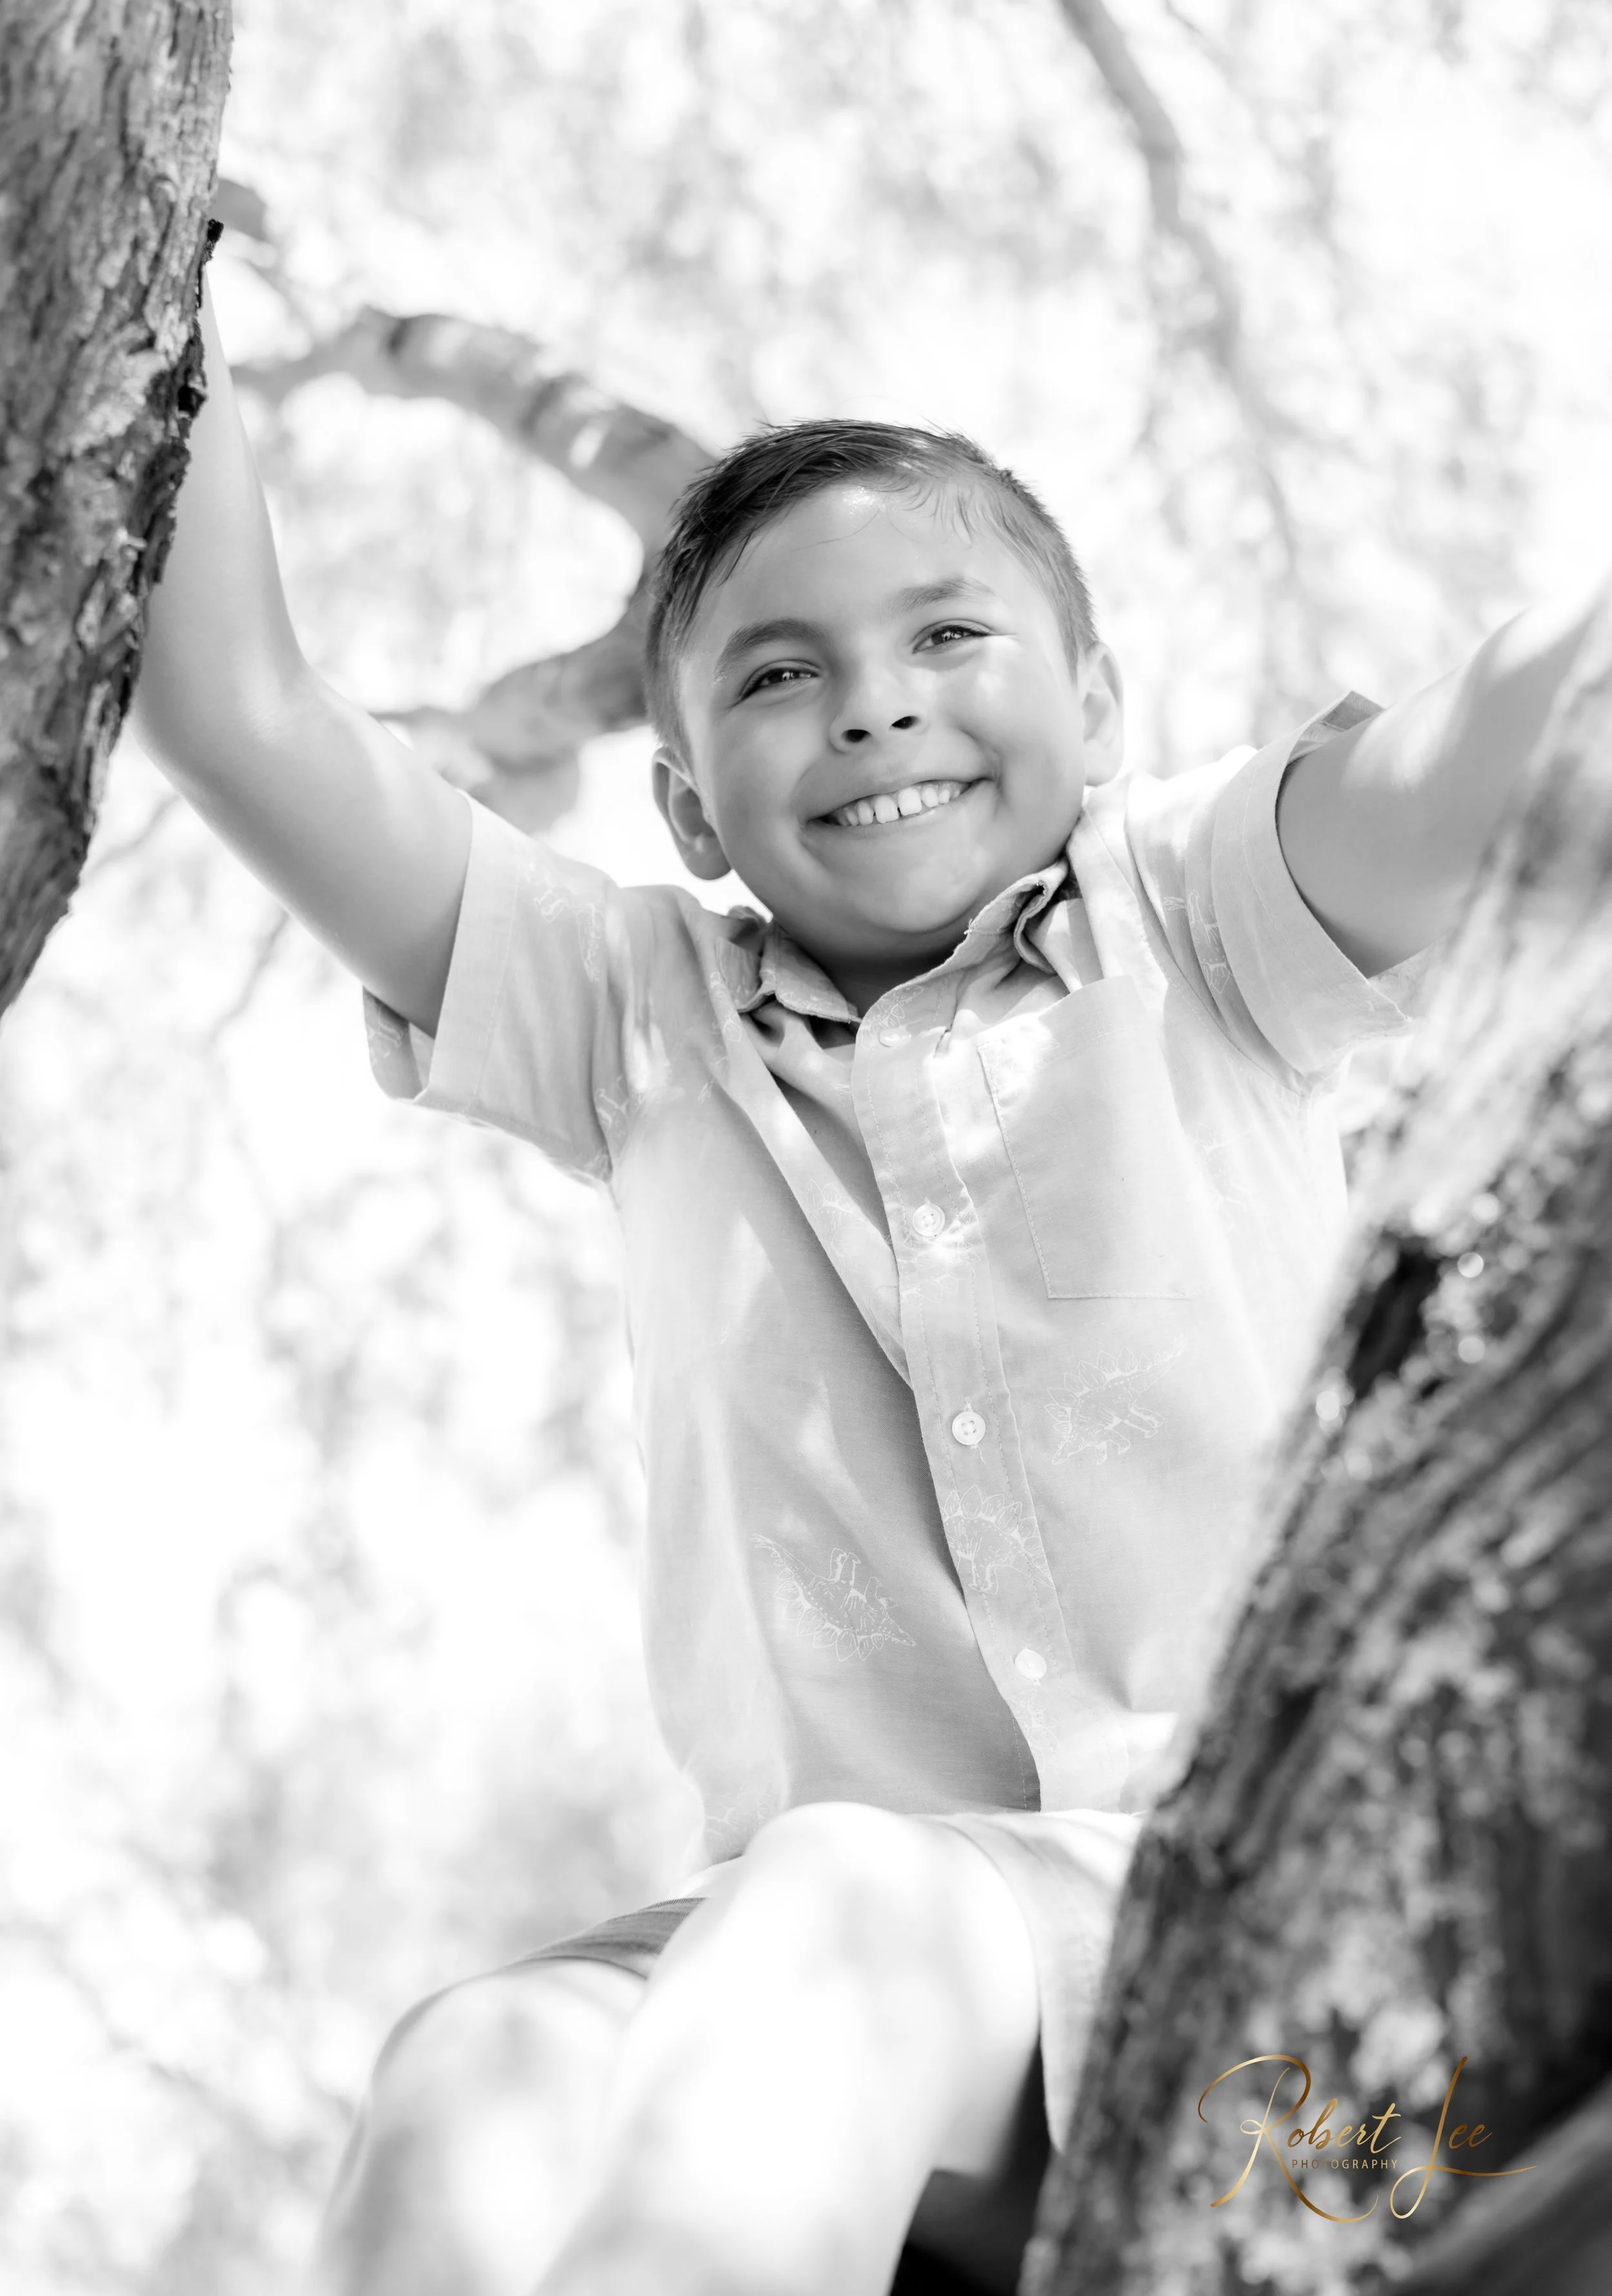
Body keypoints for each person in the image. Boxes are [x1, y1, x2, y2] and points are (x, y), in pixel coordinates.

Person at [134, 277, 1598, 2296]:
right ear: (679, 803)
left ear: (1095, 705)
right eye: (776, 675)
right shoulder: (627, 1014)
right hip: (827, 2041)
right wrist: (156, 281)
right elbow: (240, 710)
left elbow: (1523, 712)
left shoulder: (1204, 906)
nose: (873, 702)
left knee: (834, 1911)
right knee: (477, 2061)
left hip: (1308, 2020)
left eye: (947, 635)